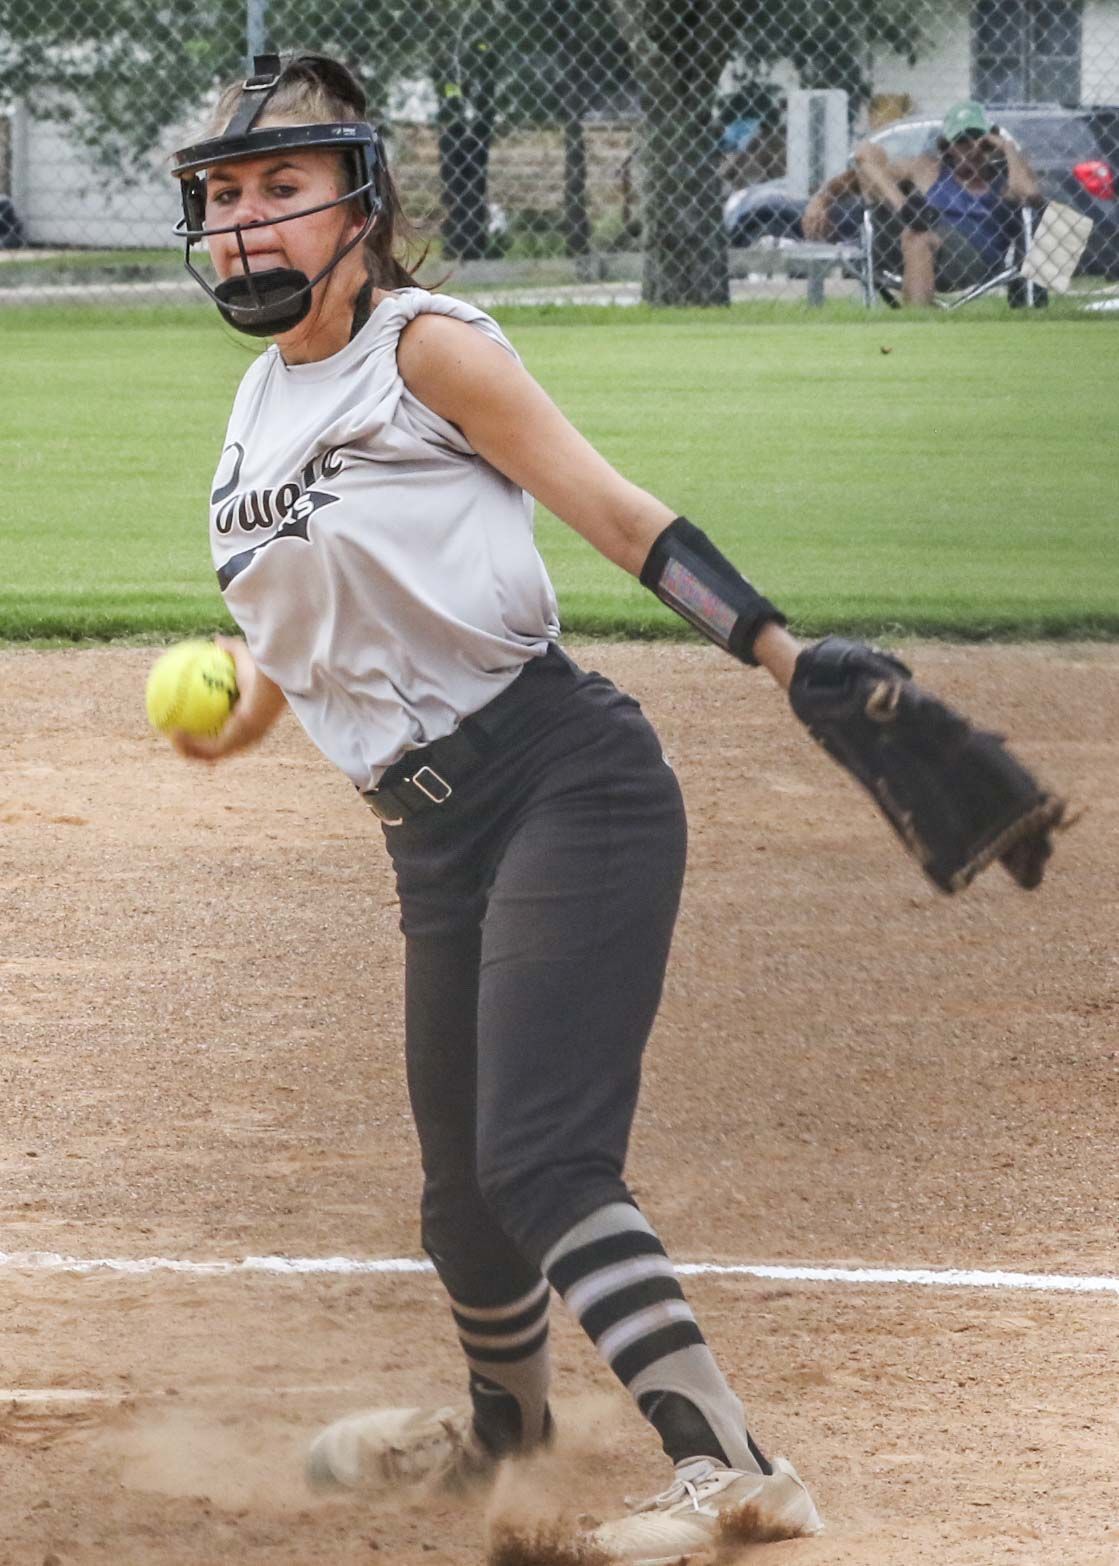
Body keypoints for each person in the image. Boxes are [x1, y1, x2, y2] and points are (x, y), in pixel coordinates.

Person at [166, 48, 832, 1563]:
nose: (245, 221)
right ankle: (501, 1440)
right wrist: (244, 699)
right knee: (461, 1201)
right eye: (224, 195)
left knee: (538, 1158)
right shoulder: (253, 411)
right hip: (429, 833)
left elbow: (611, 509)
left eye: (281, 188)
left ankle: (734, 1467)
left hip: (564, 780)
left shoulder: (427, 346)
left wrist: (784, 652)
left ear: (358, 203)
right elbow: (294, 632)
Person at [802, 100, 1041, 305]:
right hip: (914, 235)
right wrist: (821, 199)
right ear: (947, 145)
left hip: (973, 260)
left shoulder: (1004, 179)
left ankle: (917, 317)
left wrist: (1008, 148)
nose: (970, 148)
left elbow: (1030, 194)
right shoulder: (927, 169)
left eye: (978, 139)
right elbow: (862, 171)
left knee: (918, 235)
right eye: (961, 140)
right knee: (867, 152)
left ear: (990, 141)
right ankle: (904, 208)